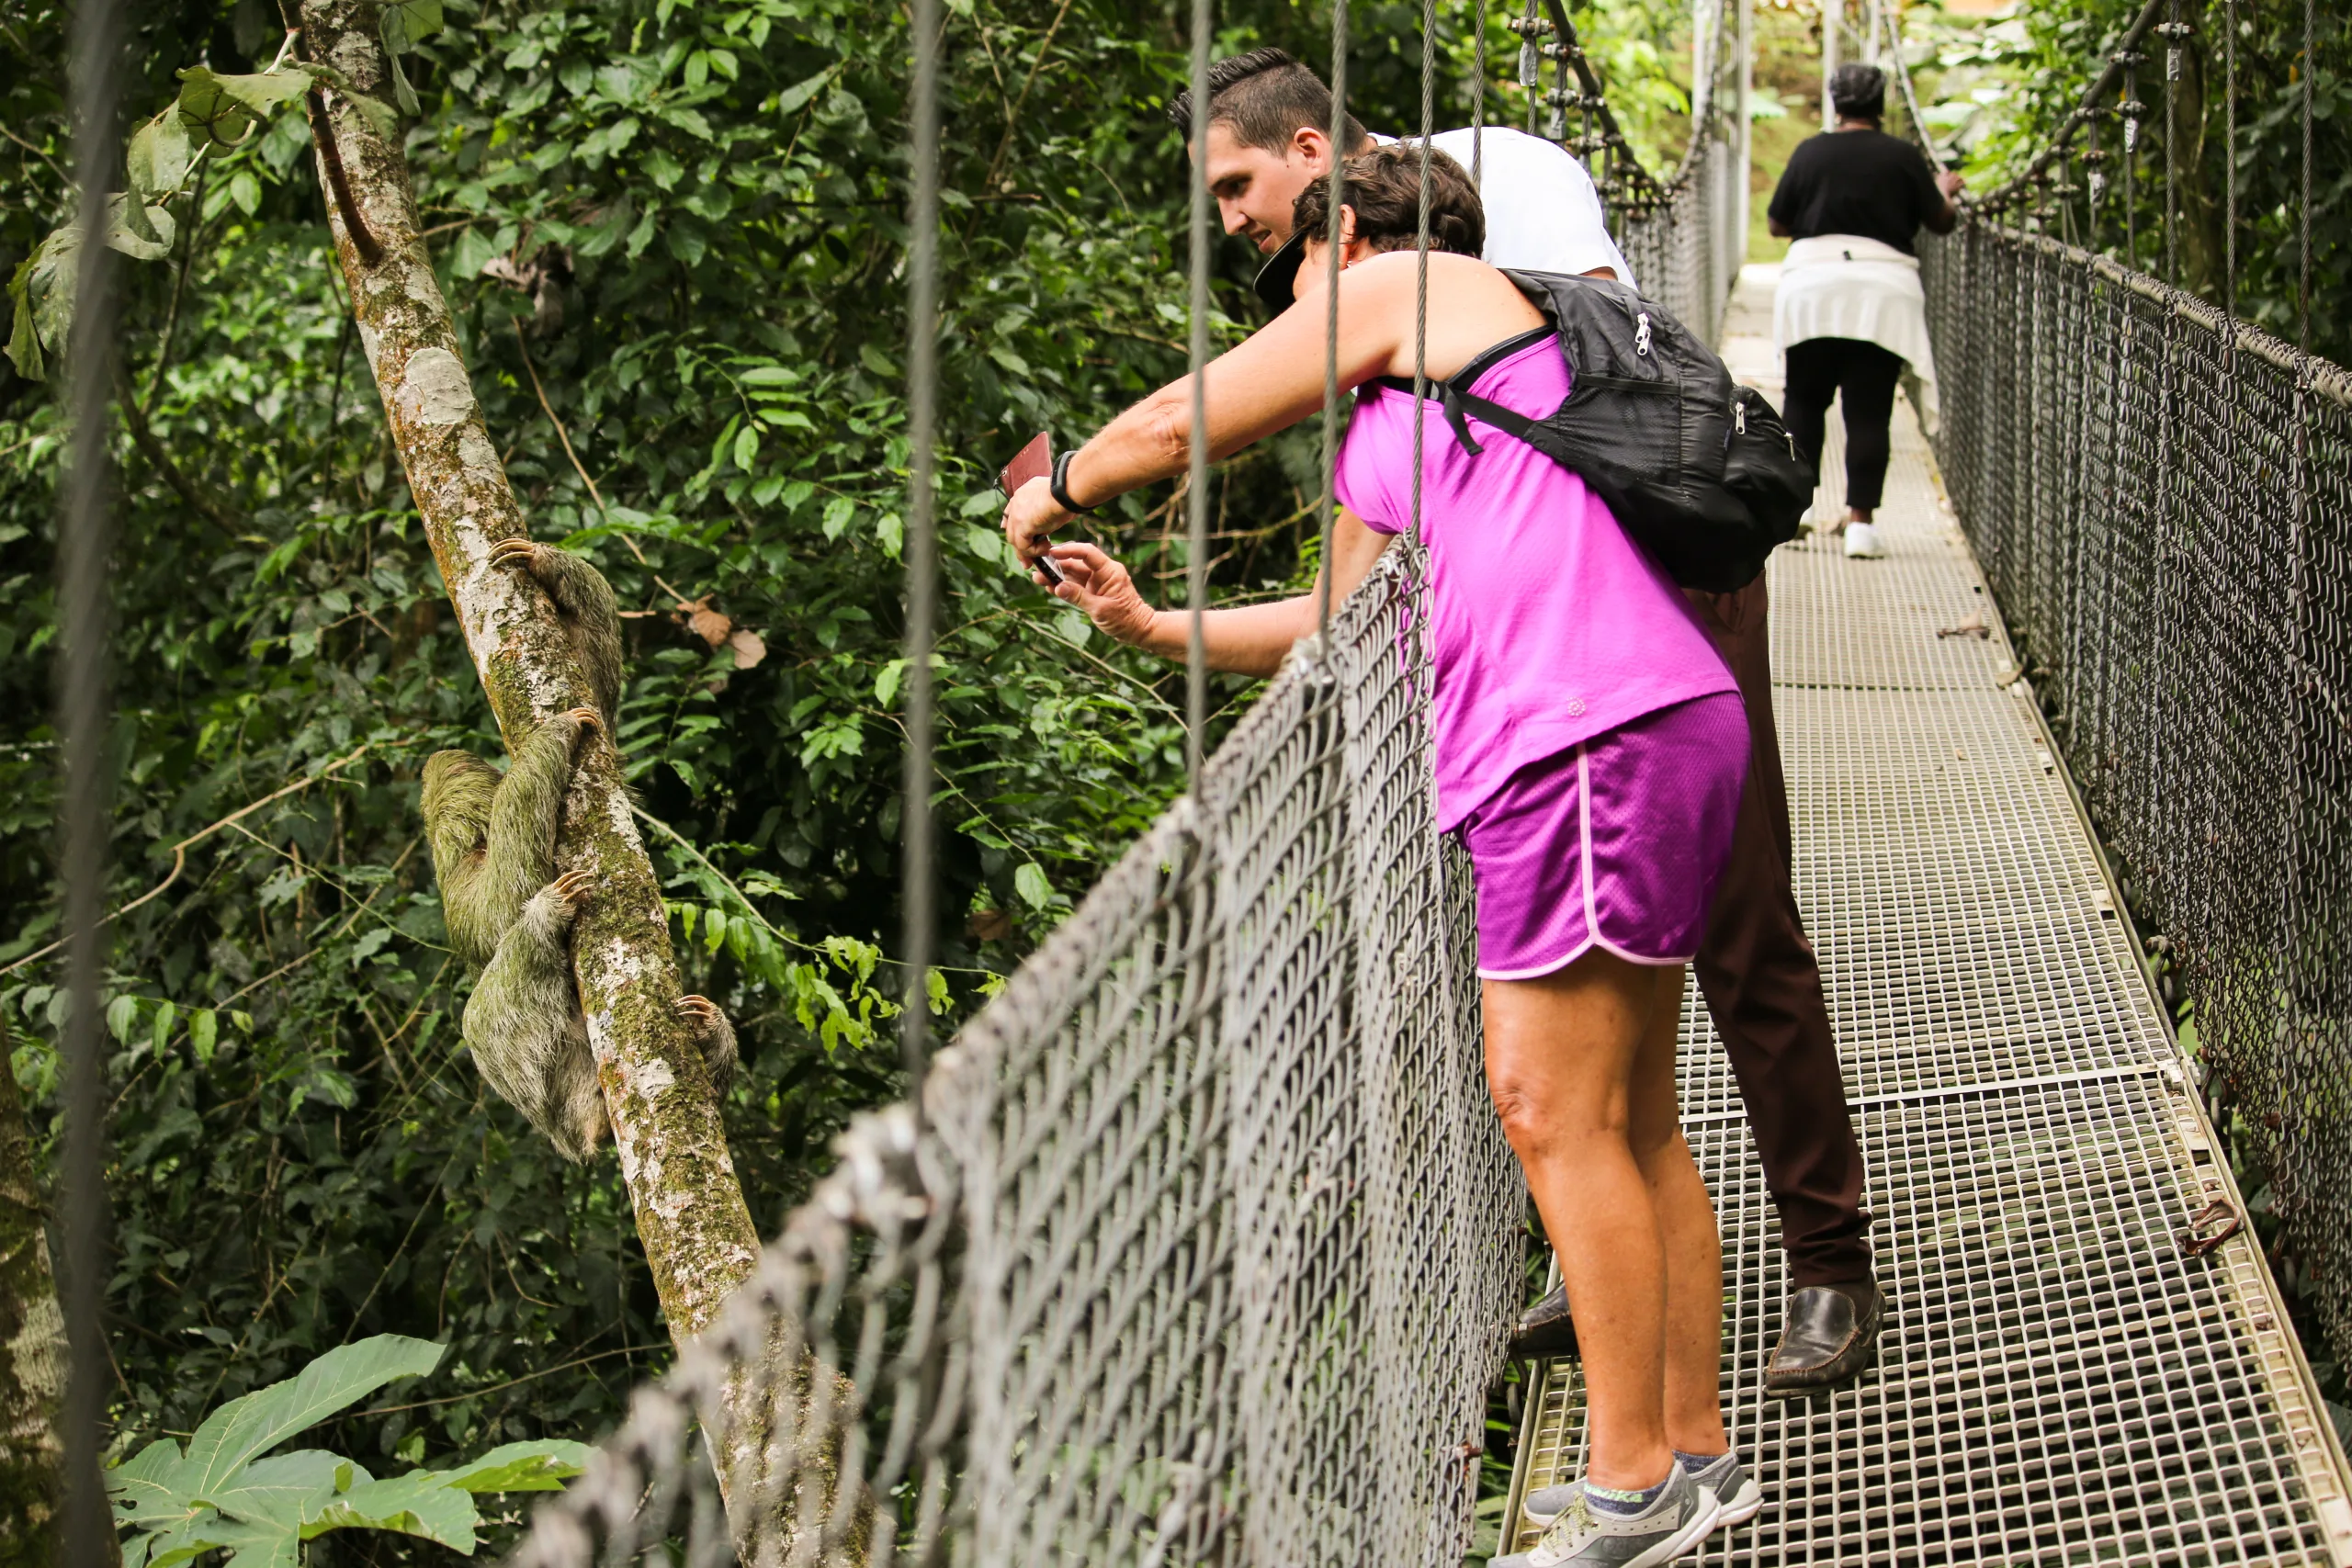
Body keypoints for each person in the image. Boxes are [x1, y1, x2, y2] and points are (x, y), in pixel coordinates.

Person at [1006, 142, 1748, 1566]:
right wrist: (1151, 625)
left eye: (1288, 273)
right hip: (1635, 721)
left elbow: (1174, 421)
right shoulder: (1414, 414)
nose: (1284, 310)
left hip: (1580, 733)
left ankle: (1632, 1489)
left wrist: (1059, 490)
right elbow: (1339, 615)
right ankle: (1688, 1454)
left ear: (1345, 236)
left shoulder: (1424, 283)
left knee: (1546, 1105)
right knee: (1630, 1116)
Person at [1170, 49, 1883, 1399]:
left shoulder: (1495, 177)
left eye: (1234, 185)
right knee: (1596, 1030)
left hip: (1659, 587)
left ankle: (1826, 1257)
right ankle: (1616, 1288)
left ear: (1311, 154)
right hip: (1545, 644)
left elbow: (1617, 373)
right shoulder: (1356, 264)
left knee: (1740, 921)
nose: (1230, 221)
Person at [1768, 62, 1964, 559]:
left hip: (1813, 287)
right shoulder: (1903, 155)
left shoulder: (1810, 151)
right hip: (1883, 293)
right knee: (1870, 411)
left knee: (1804, 401)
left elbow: (1776, 224)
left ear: (1836, 103)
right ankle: (1861, 527)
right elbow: (1941, 222)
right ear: (1881, 105)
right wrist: (1943, 192)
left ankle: (1798, 512)